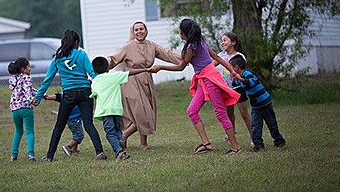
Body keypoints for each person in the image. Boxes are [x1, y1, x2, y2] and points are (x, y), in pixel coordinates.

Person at [150, 19, 242, 154]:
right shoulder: (199, 41)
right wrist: (232, 70)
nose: (179, 33)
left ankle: (236, 147)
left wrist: (161, 67)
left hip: (210, 78)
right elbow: (216, 56)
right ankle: (206, 144)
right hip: (203, 79)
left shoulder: (191, 47)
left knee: (220, 113)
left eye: (180, 31)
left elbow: (181, 67)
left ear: (184, 33)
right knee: (192, 111)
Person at [106, 21, 181, 151]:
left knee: (148, 111)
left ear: (146, 31)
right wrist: (99, 66)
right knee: (141, 113)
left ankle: (143, 144)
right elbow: (113, 59)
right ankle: (123, 136)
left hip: (147, 80)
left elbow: (167, 54)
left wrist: (185, 59)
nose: (139, 31)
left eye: (141, 29)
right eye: (136, 30)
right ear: (133, 32)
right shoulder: (128, 47)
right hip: (131, 81)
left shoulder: (152, 46)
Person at [34, 29, 106, 162]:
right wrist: (105, 82)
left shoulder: (58, 58)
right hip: (85, 91)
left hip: (69, 94)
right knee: (89, 124)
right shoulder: (81, 54)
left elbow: (48, 79)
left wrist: (38, 97)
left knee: (59, 125)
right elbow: (92, 74)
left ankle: (49, 156)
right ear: (77, 42)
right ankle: (99, 152)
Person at [90, 56, 148, 160]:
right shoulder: (114, 76)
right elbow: (130, 73)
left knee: (109, 133)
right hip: (117, 110)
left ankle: (119, 151)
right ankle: (120, 140)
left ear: (94, 70)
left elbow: (94, 94)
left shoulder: (95, 82)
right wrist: (145, 69)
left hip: (105, 111)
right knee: (117, 129)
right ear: (108, 68)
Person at [229, 55, 286, 151]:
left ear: (236, 67)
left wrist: (240, 79)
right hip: (256, 106)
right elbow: (236, 85)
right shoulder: (240, 78)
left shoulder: (247, 74)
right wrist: (234, 80)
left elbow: (252, 82)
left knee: (271, 123)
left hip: (265, 103)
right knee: (255, 126)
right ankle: (258, 146)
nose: (230, 71)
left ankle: (279, 141)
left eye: (230, 68)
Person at [213, 32, 253, 144]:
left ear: (233, 42)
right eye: (222, 40)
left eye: (225, 40)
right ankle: (232, 130)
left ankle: (254, 136)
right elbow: (211, 66)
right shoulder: (220, 56)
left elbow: (243, 71)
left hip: (238, 88)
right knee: (229, 112)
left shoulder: (240, 57)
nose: (222, 42)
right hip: (226, 89)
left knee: (244, 113)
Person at [8, 57, 37, 162]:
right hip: (26, 108)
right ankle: (31, 155)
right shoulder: (27, 78)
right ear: (23, 69)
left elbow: (29, 89)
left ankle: (13, 155)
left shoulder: (13, 79)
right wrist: (33, 100)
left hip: (15, 109)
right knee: (30, 131)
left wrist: (41, 94)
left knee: (18, 131)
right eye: (28, 67)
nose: (30, 68)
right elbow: (27, 92)